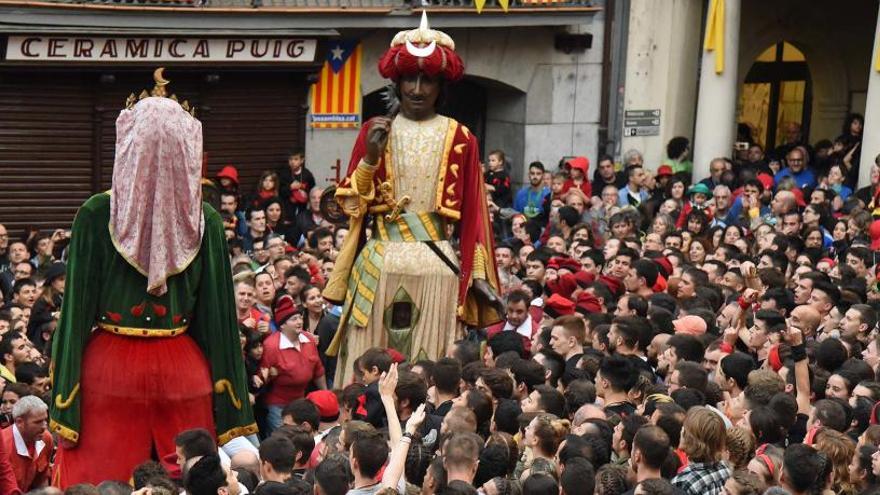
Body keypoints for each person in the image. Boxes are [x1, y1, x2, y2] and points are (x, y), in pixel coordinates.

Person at [49, 74, 256, 487]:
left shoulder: (95, 214)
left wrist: (63, 406)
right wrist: (233, 411)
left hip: (108, 370)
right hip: (183, 368)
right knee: (189, 480)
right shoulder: (207, 219)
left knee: (101, 479)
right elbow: (217, 321)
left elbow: (74, 315)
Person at [324, 14, 501, 384]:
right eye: (409, 78)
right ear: (397, 81)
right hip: (379, 263)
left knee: (427, 376)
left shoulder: (462, 138)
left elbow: (474, 216)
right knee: (366, 373)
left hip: (439, 270)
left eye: (428, 80)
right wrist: (370, 159)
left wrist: (479, 276)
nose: (417, 89)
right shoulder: (373, 131)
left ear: (441, 86)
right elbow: (351, 204)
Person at [260, 294, 327, 431]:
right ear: (283, 325)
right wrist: (269, 375)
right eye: (293, 319)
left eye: (300, 317)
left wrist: (325, 393)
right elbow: (262, 378)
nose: (299, 322)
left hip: (300, 403)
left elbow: (318, 371)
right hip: (278, 405)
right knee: (283, 439)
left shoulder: (308, 339)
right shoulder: (271, 346)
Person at [2, 395, 52, 491]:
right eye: (38, 422)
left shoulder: (46, 438)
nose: (44, 427)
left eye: (45, 420)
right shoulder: (4, 446)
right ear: (19, 422)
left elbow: (42, 481)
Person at [278, 149, 317, 219]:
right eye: (290, 159)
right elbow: (279, 191)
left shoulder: (307, 174)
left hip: (303, 208)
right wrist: (290, 187)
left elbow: (313, 190)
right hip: (287, 210)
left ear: (302, 160)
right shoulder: (284, 174)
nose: (293, 162)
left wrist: (306, 194)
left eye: (296, 159)